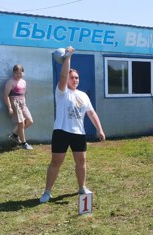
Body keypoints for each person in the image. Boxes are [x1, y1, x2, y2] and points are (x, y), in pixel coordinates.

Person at [39, 46, 105, 203]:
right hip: (61, 132)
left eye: (77, 78)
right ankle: (47, 192)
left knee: (81, 162)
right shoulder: (62, 92)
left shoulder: (83, 95)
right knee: (56, 162)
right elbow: (62, 77)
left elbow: (92, 113)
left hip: (78, 133)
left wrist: (100, 130)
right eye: (72, 77)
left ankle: (82, 187)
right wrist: (68, 57)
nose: (75, 80)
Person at [3, 64, 34, 150]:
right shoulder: (10, 82)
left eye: (20, 73)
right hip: (15, 103)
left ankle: (14, 134)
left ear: (23, 73)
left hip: (23, 103)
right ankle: (24, 143)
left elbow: (23, 94)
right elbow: (5, 95)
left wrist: (24, 104)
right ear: (13, 73)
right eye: (16, 73)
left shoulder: (24, 82)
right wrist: (9, 107)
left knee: (30, 121)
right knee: (21, 122)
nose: (18, 75)